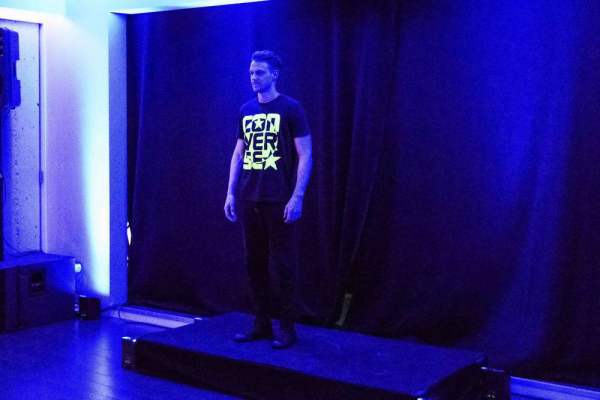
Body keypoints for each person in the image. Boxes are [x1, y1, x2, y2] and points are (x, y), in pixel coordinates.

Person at [224, 50, 312, 349]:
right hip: (250, 197)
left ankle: (286, 328)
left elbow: (306, 154)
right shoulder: (246, 110)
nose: (253, 77)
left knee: (284, 265)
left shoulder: (291, 108)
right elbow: (238, 153)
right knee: (254, 264)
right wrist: (230, 192)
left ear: (274, 74)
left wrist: (297, 196)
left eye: (259, 72)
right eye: (251, 72)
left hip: (279, 198)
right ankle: (261, 323)